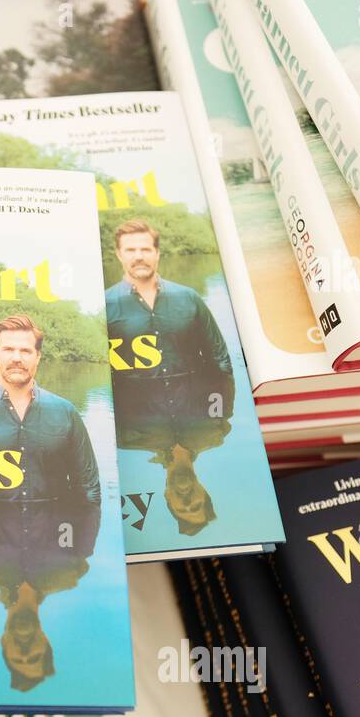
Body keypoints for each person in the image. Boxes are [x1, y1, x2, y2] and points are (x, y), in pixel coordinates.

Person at [104, 218, 234, 536]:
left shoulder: (189, 299)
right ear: (119, 254)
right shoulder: (104, 306)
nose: (187, 498)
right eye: (131, 250)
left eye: (145, 249)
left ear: (157, 253)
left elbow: (221, 361)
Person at [0, 314, 101, 507]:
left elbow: (89, 489)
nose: (16, 358)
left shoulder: (66, 412)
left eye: (25, 351)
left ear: (38, 356)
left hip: (51, 534)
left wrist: (83, 535)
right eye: (8, 349)